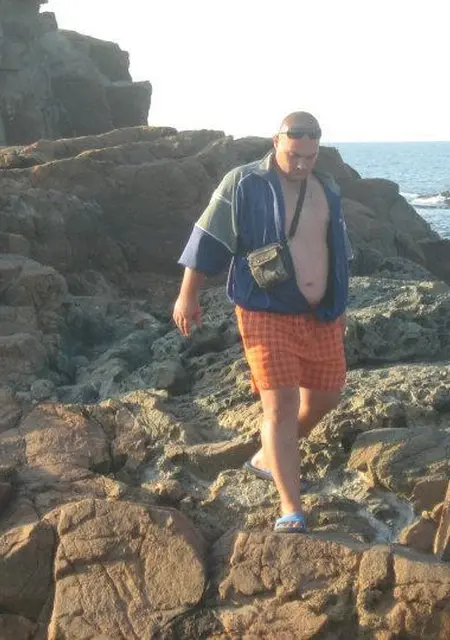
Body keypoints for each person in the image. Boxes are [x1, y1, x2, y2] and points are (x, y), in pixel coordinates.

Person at [173, 111, 352, 533]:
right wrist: (188, 294)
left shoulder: (327, 186)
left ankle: (269, 454)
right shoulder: (244, 182)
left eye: (310, 156)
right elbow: (209, 237)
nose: (302, 164)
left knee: (326, 396)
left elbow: (338, 249)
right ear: (276, 142)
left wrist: (340, 305)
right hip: (265, 308)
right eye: (294, 155)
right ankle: (292, 509)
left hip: (321, 313)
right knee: (281, 406)